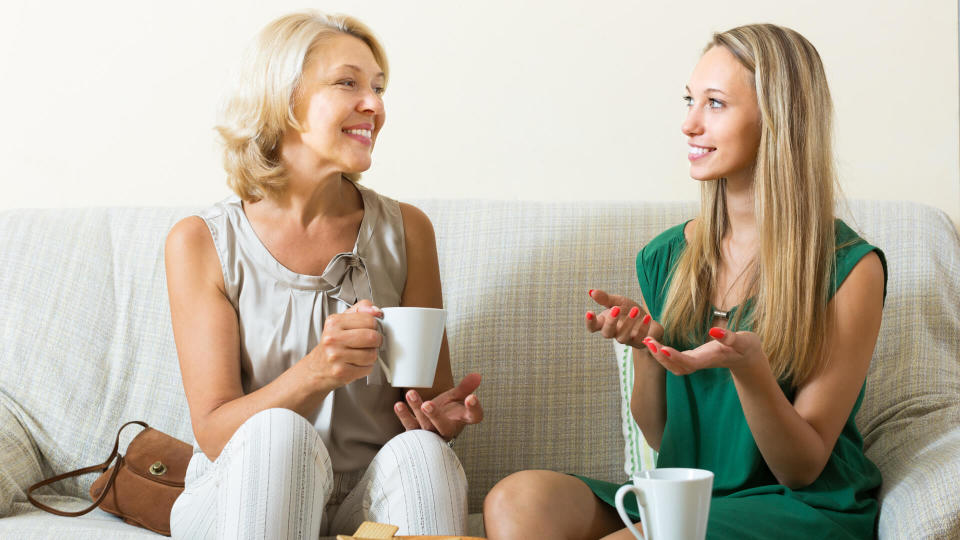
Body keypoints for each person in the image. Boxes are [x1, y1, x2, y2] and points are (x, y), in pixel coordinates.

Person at [483, 23, 885, 540]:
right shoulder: (666, 256)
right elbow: (665, 439)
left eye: (715, 104)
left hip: (799, 506)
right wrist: (647, 350)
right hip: (688, 496)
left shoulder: (847, 269)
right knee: (517, 501)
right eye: (689, 100)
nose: (689, 124)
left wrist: (751, 372)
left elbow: (801, 467)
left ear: (780, 118)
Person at [164, 11, 483, 539]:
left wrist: (438, 420)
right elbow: (217, 433)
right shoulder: (201, 242)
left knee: (423, 454)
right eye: (348, 83)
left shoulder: (408, 230)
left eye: (378, 88)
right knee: (278, 437)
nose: (375, 105)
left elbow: (422, 399)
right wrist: (317, 371)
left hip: (363, 499)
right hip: (240, 489)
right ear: (283, 100)